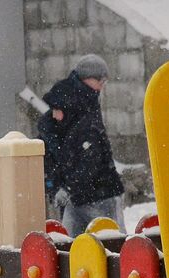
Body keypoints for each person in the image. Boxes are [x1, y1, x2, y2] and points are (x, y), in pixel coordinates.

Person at [38, 54, 125, 236]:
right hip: (89, 193)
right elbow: (80, 158)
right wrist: (58, 188)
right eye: (99, 79)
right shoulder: (78, 110)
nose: (102, 84)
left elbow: (88, 158)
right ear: (87, 78)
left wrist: (65, 188)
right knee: (105, 242)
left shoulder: (85, 106)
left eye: (105, 81)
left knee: (98, 242)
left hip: (92, 191)